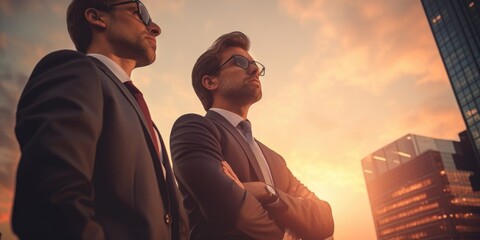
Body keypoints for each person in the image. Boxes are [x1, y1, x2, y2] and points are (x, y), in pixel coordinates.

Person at [12, 0, 187, 239]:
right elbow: (51, 201)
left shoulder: (147, 121)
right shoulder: (73, 70)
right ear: (97, 17)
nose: (155, 27)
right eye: (140, 13)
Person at [170, 31, 334, 240]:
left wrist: (267, 192)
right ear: (211, 82)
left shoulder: (275, 159)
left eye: (255, 64)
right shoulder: (194, 129)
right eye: (240, 62)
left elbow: (324, 219)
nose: (255, 69)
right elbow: (230, 211)